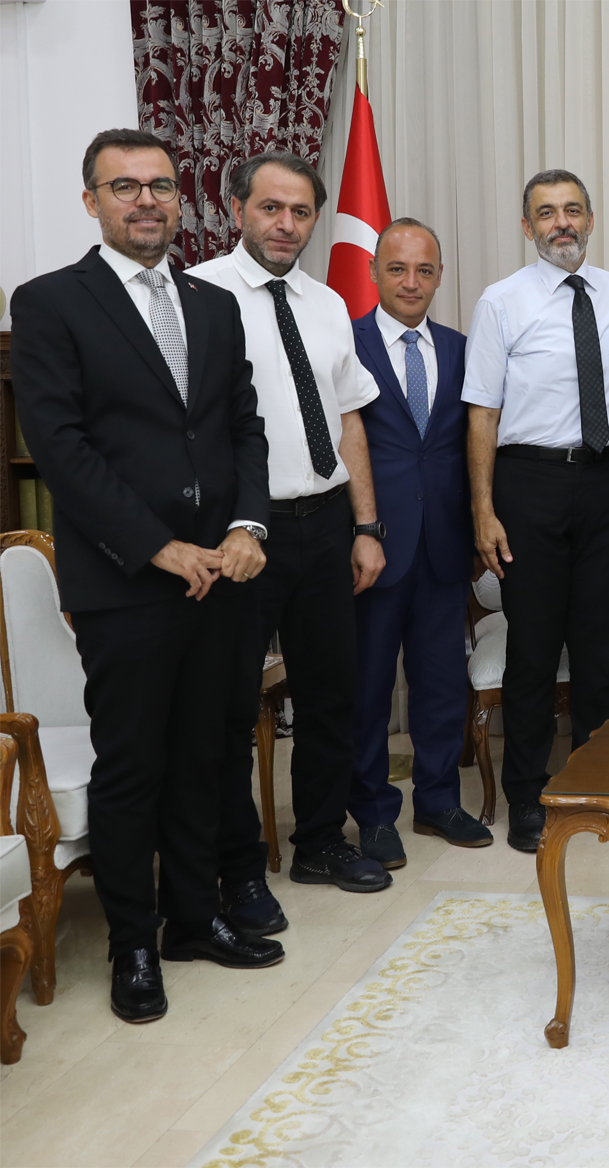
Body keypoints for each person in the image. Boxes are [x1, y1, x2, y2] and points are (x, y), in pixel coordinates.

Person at [10, 129, 282, 1023]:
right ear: (91, 201)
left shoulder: (213, 304)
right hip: (129, 581)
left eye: (160, 185)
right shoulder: (50, 302)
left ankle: (192, 920)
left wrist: (246, 527)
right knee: (133, 767)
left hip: (223, 575)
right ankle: (133, 944)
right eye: (123, 187)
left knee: (206, 756)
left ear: (180, 198)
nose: (146, 201)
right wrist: (158, 546)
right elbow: (61, 447)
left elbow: (243, 428)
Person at [190, 152, 394, 916]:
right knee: (229, 708)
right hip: (242, 534)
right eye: (270, 208)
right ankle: (238, 868)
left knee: (330, 695)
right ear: (237, 208)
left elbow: (348, 422)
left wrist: (366, 525)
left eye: (300, 211)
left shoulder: (328, 302)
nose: (285, 224)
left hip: (326, 523)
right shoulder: (198, 294)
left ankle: (319, 844)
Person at [463, 169, 609, 853]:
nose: (561, 223)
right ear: (527, 226)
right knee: (534, 652)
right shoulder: (501, 301)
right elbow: (482, 413)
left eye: (572, 210)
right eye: (546, 212)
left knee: (602, 650)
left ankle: (596, 787)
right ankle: (527, 796)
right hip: (530, 484)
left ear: (591, 220)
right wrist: (483, 511)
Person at [346, 218, 489, 867]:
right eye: (398, 268)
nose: (411, 282)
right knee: (370, 688)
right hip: (374, 547)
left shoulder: (461, 349)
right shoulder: (346, 344)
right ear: (374, 272)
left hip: (443, 546)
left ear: (439, 277)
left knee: (441, 684)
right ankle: (375, 814)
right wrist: (361, 530)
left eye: (424, 270)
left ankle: (438, 801)